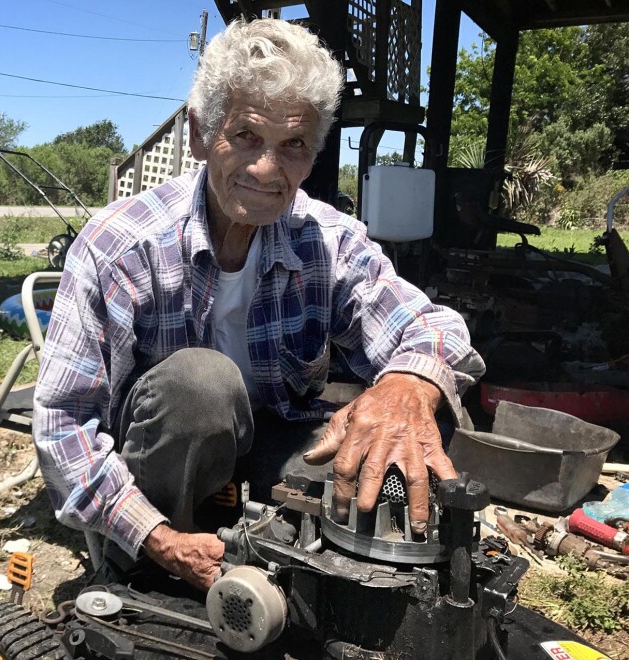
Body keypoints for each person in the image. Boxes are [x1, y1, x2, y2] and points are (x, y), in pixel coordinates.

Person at [33, 18, 484, 591]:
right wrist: (156, 536)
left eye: (293, 145)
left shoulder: (328, 238)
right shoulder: (120, 245)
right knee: (201, 385)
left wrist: (405, 389)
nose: (267, 169)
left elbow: (432, 327)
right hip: (160, 455)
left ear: (313, 153)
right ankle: (148, 568)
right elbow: (63, 423)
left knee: (415, 406)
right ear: (200, 134)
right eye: (245, 135)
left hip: (271, 435)